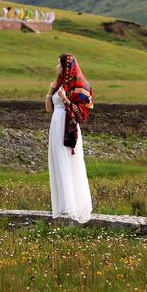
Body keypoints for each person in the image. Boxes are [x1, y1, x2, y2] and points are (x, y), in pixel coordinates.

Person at [44, 53, 93, 222]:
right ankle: (61, 205)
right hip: (56, 125)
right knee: (57, 162)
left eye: (58, 64)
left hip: (68, 128)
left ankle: (70, 207)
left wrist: (66, 100)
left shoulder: (78, 86)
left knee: (67, 163)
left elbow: (81, 115)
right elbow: (49, 108)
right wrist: (51, 91)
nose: (56, 67)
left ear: (66, 67)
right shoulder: (58, 85)